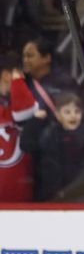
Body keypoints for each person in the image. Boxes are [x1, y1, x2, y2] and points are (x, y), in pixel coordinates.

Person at [20, 91, 84, 201]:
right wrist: (34, 122)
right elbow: (27, 146)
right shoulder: (49, 135)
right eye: (67, 112)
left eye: (77, 111)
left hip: (78, 196)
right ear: (58, 115)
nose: (73, 115)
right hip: (48, 196)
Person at [0, 53, 33, 202]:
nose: (23, 79)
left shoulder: (15, 105)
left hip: (19, 196)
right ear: (8, 75)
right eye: (20, 74)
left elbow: (23, 111)